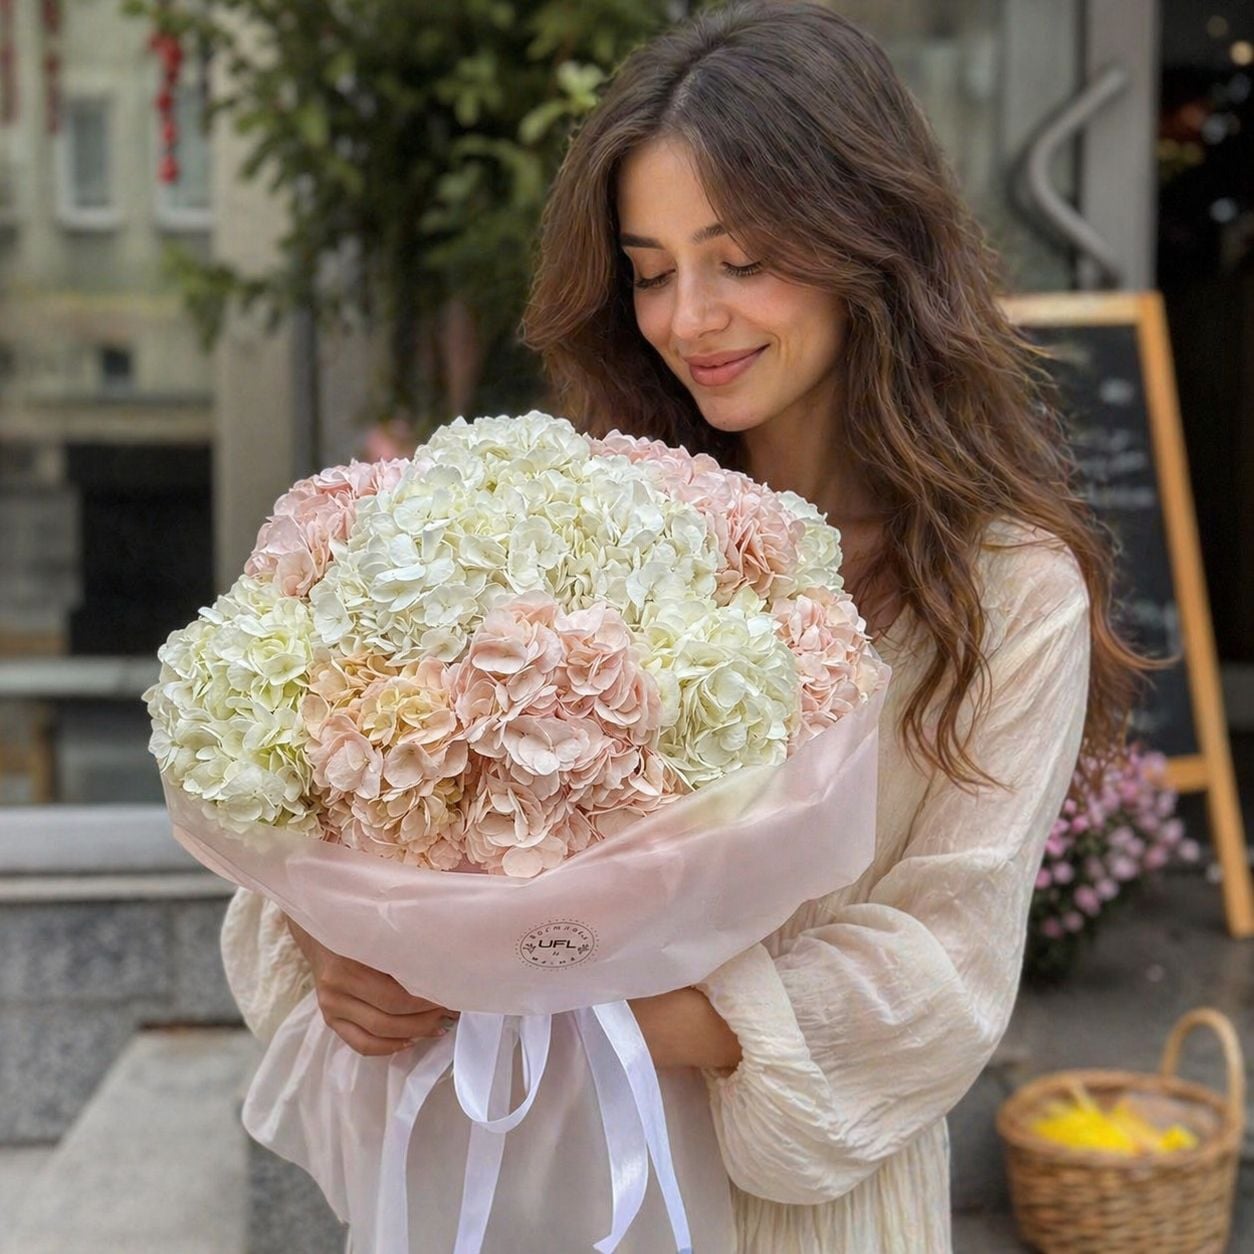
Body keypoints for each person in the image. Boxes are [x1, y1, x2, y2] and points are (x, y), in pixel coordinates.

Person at [222, 3, 1144, 1249]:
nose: (688, 318)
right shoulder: (576, 516)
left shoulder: (1011, 590)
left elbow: (941, 970)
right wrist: (338, 947)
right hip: (528, 1175)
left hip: (804, 1217)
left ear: (870, 242)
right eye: (651, 271)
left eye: (741, 260)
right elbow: (351, 814)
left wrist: (539, 990)